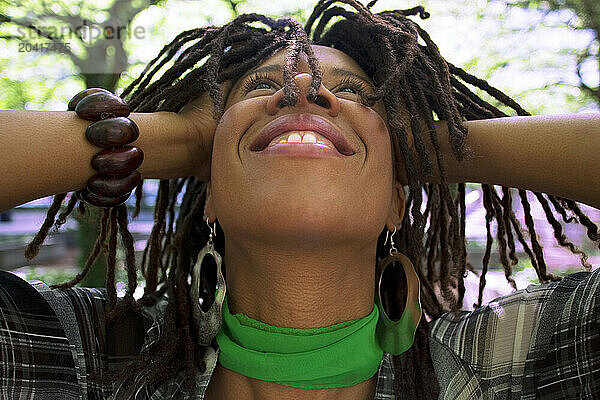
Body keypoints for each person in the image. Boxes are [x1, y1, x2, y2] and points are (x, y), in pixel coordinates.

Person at [0, 1, 599, 399]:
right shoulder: (85, 358)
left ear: (398, 201)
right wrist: (164, 136)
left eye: (353, 93)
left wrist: (439, 141)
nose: (305, 89)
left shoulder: (510, 366)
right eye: (263, 86)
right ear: (208, 192)